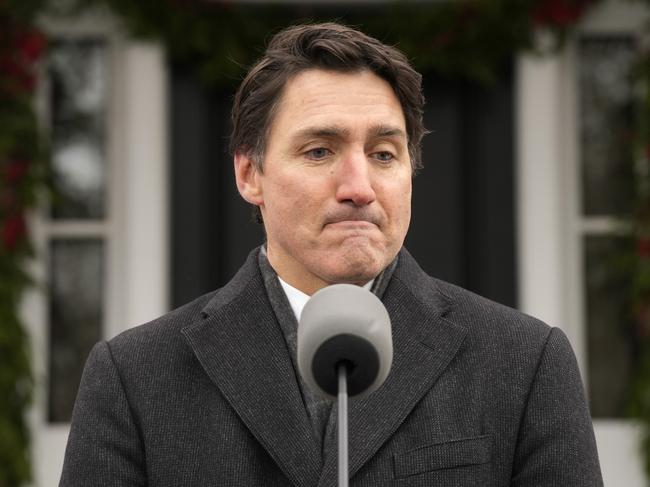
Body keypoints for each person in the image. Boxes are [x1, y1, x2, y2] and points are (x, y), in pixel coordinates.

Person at [60, 23, 603, 486]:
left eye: (383, 154)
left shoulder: (526, 364)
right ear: (250, 173)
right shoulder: (134, 378)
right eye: (319, 150)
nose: (358, 186)